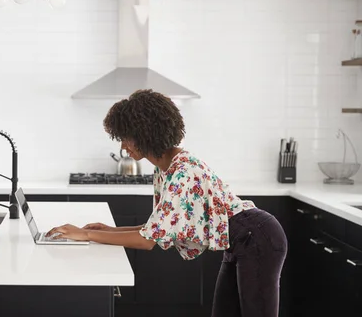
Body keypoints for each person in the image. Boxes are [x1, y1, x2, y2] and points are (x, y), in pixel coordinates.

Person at [46, 89, 288, 317]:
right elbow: (158, 228)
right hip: (240, 240)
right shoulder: (165, 168)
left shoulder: (182, 173)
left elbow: (147, 240)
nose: (122, 146)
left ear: (144, 133)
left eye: (126, 137)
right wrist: (106, 230)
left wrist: (86, 235)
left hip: (257, 237)